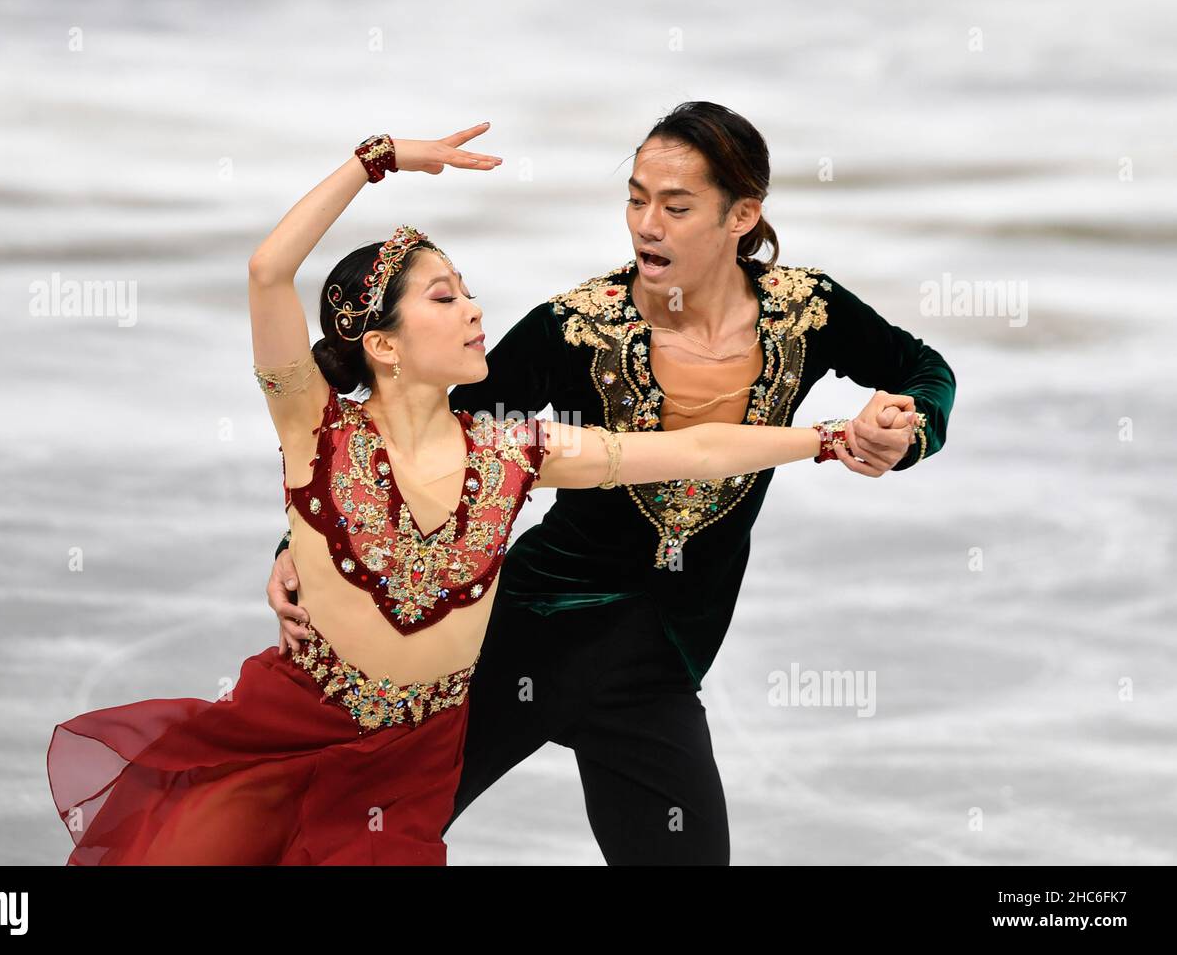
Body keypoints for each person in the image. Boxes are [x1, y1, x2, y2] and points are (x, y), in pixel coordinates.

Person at [45, 122, 872, 866]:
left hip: (413, 759)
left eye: (470, 291)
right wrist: (378, 160)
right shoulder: (319, 430)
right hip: (297, 726)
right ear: (383, 345)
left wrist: (827, 439)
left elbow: (691, 448)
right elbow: (268, 271)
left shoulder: (513, 451)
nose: (477, 310)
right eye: (446, 298)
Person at [265, 102, 959, 865]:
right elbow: (411, 440)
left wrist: (905, 427)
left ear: (742, 215)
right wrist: (302, 546)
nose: (646, 224)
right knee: (355, 843)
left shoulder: (807, 313)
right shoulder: (574, 327)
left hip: (658, 662)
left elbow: (922, 371)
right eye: (635, 198)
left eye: (676, 205)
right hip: (523, 639)